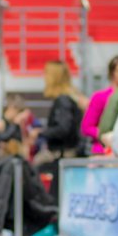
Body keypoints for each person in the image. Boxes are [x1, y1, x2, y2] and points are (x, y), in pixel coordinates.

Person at [32, 61, 85, 200]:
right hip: (66, 158)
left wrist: (41, 132)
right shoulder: (70, 99)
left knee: (56, 202)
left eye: (47, 74)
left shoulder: (63, 101)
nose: (44, 78)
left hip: (63, 159)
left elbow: (63, 128)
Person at [80, 55, 118, 155]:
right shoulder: (100, 97)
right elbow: (86, 127)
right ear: (112, 74)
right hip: (103, 150)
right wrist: (105, 135)